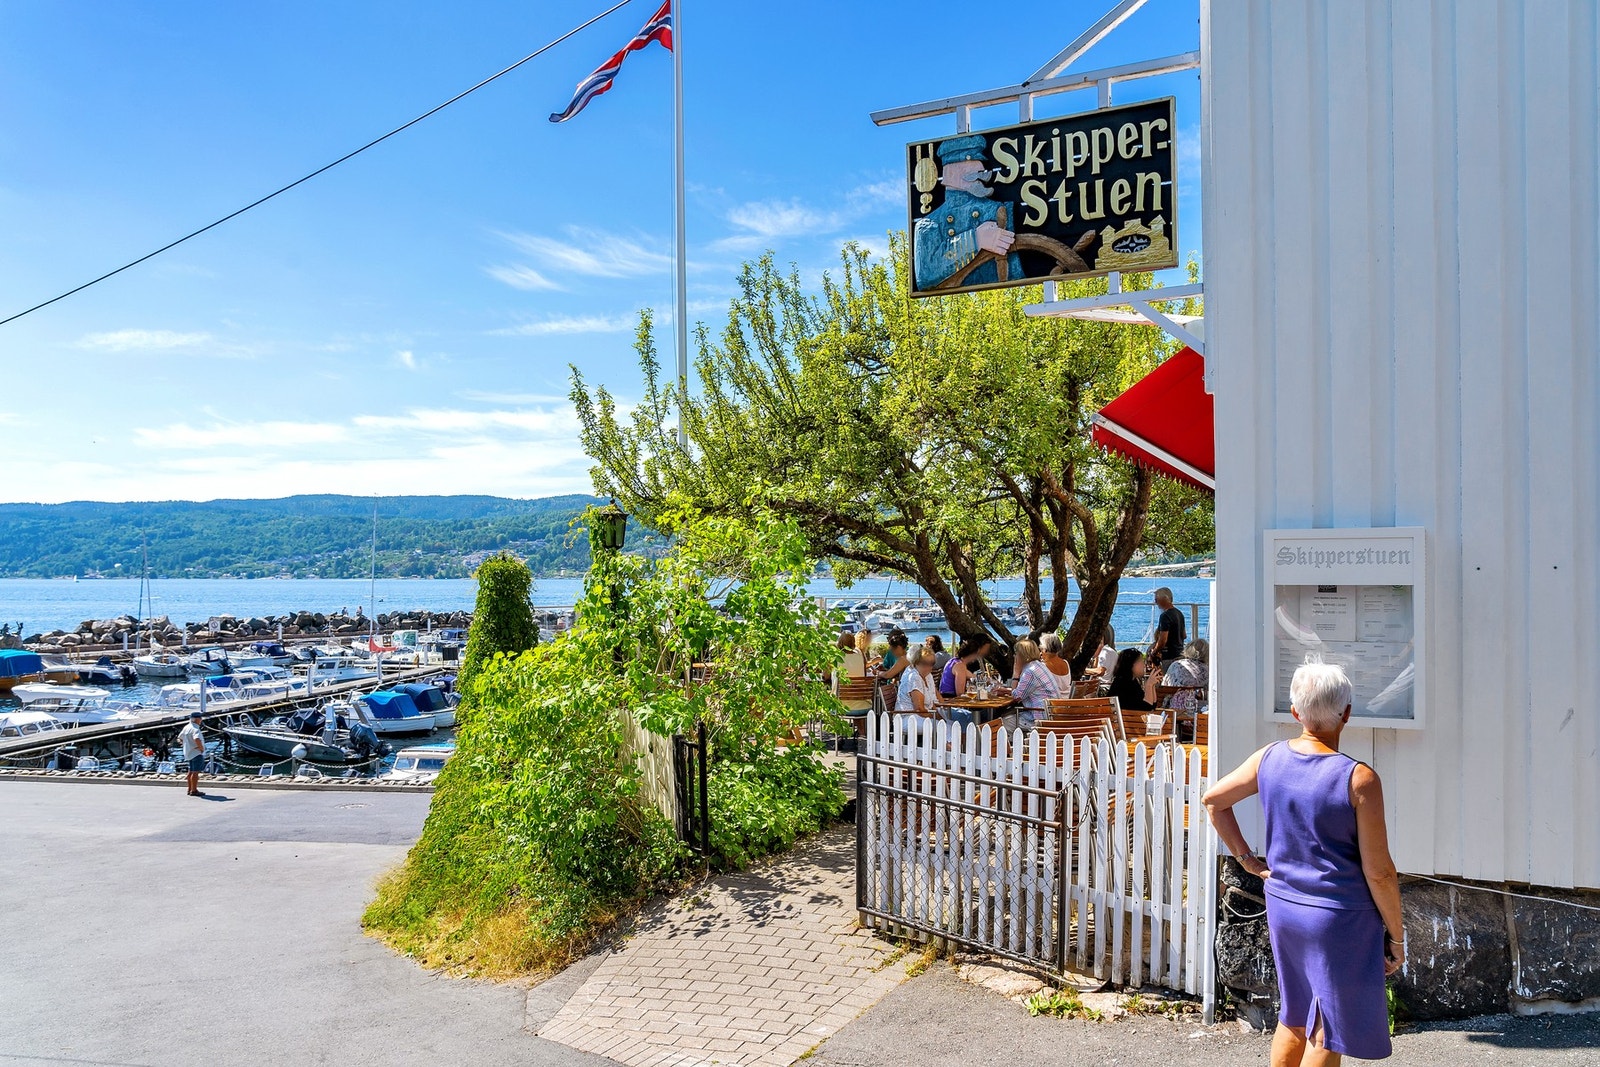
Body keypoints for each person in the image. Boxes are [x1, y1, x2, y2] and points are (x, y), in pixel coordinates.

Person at [1202, 663, 1404, 1065]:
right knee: (1327, 1029)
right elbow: (1379, 872)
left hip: (1284, 906)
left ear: (1295, 712)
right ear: (1347, 712)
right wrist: (1397, 938)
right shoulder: (1358, 779)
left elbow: (1214, 801)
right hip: (1338, 917)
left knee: (1294, 1015)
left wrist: (1248, 860)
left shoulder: (1270, 758)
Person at [912, 134, 1023, 291]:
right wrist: (975, 239)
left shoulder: (998, 209)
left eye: (980, 164)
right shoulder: (928, 225)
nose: (981, 170)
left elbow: (1016, 273)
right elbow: (925, 276)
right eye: (969, 166)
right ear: (949, 174)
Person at [999, 638, 1054, 730]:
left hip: (1040, 717)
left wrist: (1016, 672)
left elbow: (1016, 697)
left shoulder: (1030, 671)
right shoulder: (1039, 666)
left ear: (1021, 655)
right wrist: (1006, 691)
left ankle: (1015, 744)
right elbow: (1025, 691)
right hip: (1050, 713)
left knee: (1002, 723)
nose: (1014, 656)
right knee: (1007, 714)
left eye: (1016, 653)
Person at [1162, 638, 1210, 714]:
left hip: (1172, 708)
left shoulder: (1176, 665)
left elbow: (1164, 686)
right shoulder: (1207, 670)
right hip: (1198, 711)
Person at [1106, 647, 1159, 713]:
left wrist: (1152, 685)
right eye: (1140, 661)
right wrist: (1149, 685)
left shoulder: (1133, 681)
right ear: (1131, 664)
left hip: (1133, 720)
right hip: (1126, 721)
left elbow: (1153, 705)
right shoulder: (1123, 684)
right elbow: (1147, 708)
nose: (1143, 665)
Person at [895, 646, 941, 715]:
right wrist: (938, 718)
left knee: (952, 722)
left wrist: (941, 715)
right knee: (948, 725)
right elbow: (919, 709)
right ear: (916, 662)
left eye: (932, 663)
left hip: (922, 716)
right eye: (924, 663)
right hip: (909, 718)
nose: (928, 667)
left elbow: (932, 703)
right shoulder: (914, 677)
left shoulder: (927, 676)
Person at [1148, 587, 1187, 667]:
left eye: (1156, 600)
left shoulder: (1165, 616)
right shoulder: (1179, 614)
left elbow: (1163, 640)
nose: (1155, 602)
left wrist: (1154, 652)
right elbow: (1184, 635)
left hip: (1169, 656)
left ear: (1164, 599)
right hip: (1180, 654)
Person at [1039, 632, 1075, 697]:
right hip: (1068, 701)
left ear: (1045, 649)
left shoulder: (1043, 667)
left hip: (1053, 703)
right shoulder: (1065, 663)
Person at [179, 710, 206, 797]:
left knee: (190, 771)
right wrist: (201, 748)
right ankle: (194, 790)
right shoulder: (195, 728)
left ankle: (189, 789)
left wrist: (185, 744)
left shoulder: (186, 727)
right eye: (200, 718)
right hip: (196, 752)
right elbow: (197, 738)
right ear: (197, 719)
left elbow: (179, 738)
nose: (201, 720)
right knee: (195, 772)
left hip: (188, 752)